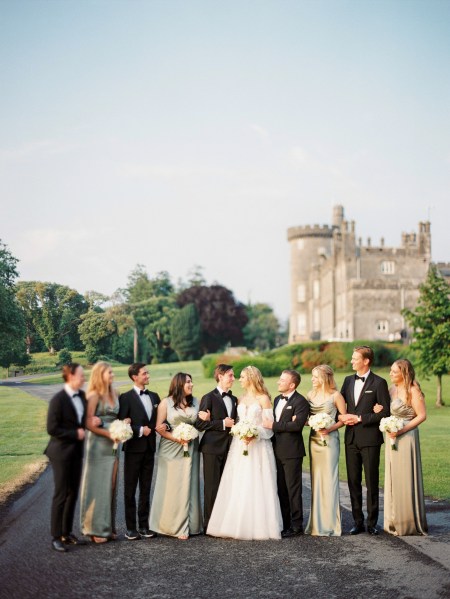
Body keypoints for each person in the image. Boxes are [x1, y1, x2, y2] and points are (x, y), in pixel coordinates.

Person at [207, 366, 283, 539]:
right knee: (238, 482)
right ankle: (234, 524)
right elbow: (236, 422)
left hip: (259, 447)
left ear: (251, 378)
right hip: (239, 445)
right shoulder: (239, 399)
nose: (238, 380)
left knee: (257, 483)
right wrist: (241, 432)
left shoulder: (263, 399)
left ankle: (259, 526)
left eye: (241, 377)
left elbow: (269, 428)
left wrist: (254, 434)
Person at [338, 345, 390, 535]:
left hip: (370, 439)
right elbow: (339, 405)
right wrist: (341, 417)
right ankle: (357, 522)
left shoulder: (379, 383)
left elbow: (386, 412)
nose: (351, 361)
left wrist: (360, 418)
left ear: (366, 361)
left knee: (371, 481)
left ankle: (372, 523)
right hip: (351, 439)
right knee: (353, 481)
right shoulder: (347, 381)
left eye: (355, 358)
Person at [374, 359, 428, 536]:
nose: (390, 374)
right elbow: (387, 412)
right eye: (390, 371)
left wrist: (402, 429)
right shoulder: (391, 390)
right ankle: (393, 520)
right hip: (392, 437)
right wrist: (378, 410)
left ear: (404, 373)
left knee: (406, 476)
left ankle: (409, 521)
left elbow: (421, 416)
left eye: (394, 371)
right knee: (393, 476)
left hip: (407, 437)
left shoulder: (413, 390)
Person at [45, 363, 93, 552]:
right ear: (71, 376)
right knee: (61, 493)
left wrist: (92, 422)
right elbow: (52, 428)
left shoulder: (81, 396)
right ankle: (56, 536)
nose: (84, 378)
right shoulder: (58, 400)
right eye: (81, 375)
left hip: (76, 452)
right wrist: (75, 434)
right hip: (61, 453)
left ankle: (67, 533)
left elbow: (84, 421)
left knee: (73, 492)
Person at [149, 373, 202, 539]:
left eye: (191, 381)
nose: (191, 384)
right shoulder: (166, 403)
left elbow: (199, 424)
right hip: (171, 447)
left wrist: (204, 420)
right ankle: (171, 526)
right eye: (188, 382)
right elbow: (159, 428)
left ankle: (191, 525)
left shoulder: (196, 402)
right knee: (173, 486)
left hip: (191, 447)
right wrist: (177, 438)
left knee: (190, 484)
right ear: (179, 384)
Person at [79, 362, 123, 543]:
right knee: (98, 485)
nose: (112, 375)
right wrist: (108, 433)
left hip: (114, 443)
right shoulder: (94, 395)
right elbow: (88, 423)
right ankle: (94, 529)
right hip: (98, 444)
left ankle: (107, 528)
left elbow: (117, 418)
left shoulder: (115, 393)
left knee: (112, 485)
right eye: (109, 373)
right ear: (100, 375)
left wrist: (121, 428)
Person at [263, 369, 309, 538]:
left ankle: (297, 526)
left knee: (293, 489)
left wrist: (274, 425)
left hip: (292, 452)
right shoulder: (276, 399)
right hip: (276, 450)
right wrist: (285, 424)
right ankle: (285, 523)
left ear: (292, 384)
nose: (278, 382)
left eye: (282, 380)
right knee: (281, 489)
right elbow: (288, 424)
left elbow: (296, 427)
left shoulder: (301, 402)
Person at [118, 363, 160, 541]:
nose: (148, 375)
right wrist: (140, 430)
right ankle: (130, 528)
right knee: (130, 489)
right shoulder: (125, 398)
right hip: (133, 449)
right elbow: (121, 422)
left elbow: (158, 420)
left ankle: (144, 526)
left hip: (150, 449)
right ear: (135, 377)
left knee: (145, 488)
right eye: (144, 373)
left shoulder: (155, 396)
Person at [305, 365, 346, 536]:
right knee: (316, 480)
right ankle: (316, 523)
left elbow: (343, 419)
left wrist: (328, 428)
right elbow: (306, 419)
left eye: (315, 377)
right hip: (314, 440)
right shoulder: (309, 395)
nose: (312, 380)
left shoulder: (336, 396)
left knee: (330, 478)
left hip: (330, 441)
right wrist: (313, 423)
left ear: (324, 378)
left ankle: (330, 523)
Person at [195, 364, 237, 532]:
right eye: (230, 375)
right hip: (211, 448)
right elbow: (199, 424)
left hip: (230, 448)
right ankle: (210, 525)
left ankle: (225, 523)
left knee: (227, 486)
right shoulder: (208, 397)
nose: (233, 379)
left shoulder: (234, 399)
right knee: (211, 488)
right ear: (220, 376)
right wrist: (222, 423)